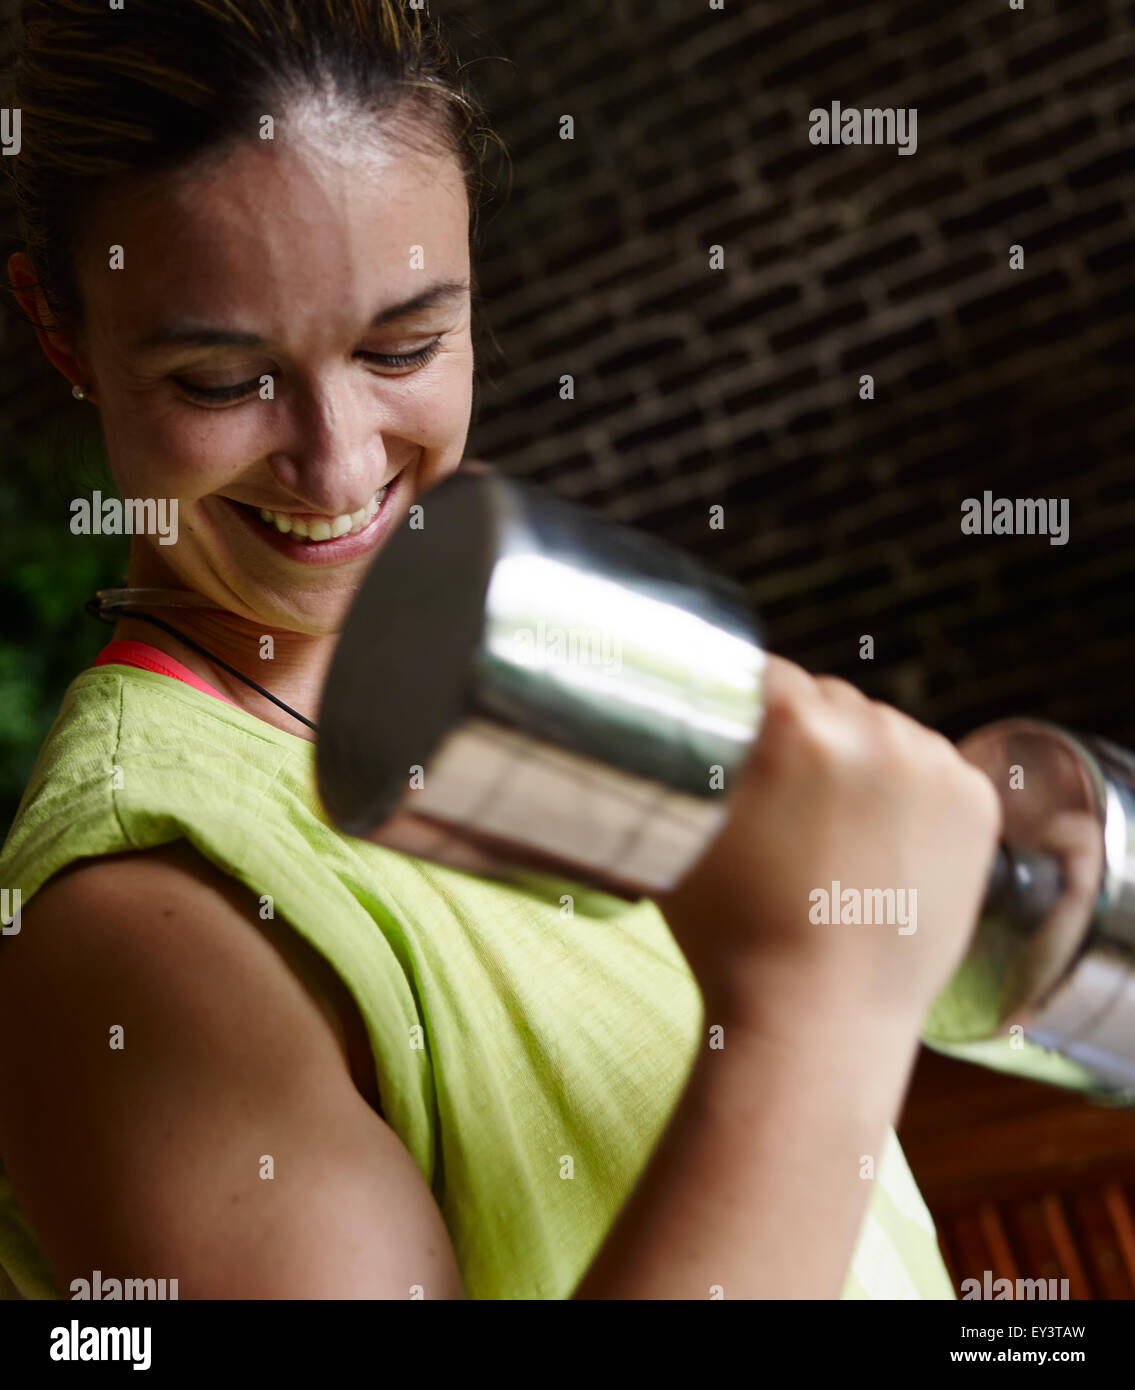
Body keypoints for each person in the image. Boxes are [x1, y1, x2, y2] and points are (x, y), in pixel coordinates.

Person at [0, 0, 1093, 1302]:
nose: (339, 464)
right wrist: (819, 1007)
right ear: (63, 332)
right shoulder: (134, 916)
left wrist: (981, 908)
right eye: (222, 384)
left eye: (403, 345)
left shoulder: (534, 670)